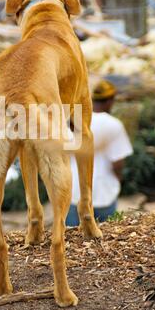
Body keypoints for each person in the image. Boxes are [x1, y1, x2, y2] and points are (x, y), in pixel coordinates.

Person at [66, 80, 133, 226]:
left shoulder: (74, 121)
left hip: (73, 192)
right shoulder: (114, 124)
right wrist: (119, 179)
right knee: (106, 242)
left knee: (72, 242)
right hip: (104, 192)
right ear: (110, 100)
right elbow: (118, 163)